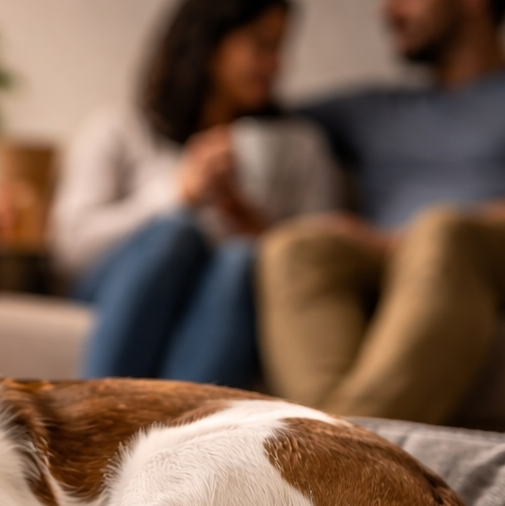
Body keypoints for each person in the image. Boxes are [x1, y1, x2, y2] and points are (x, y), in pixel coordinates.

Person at [258, 0, 505, 423]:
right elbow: (230, 107)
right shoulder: (370, 111)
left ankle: (334, 457)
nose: (387, 11)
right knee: (296, 247)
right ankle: (334, 459)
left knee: (443, 230)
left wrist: (408, 239)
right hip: (395, 260)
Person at [50, 0, 336, 389]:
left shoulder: (298, 147)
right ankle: (89, 419)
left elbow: (323, 261)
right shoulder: (121, 131)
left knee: (240, 258)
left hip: (228, 286)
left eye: (280, 48)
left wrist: (254, 226)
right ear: (209, 44)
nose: (276, 66)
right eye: (261, 46)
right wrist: (177, 193)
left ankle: (183, 446)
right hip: (113, 284)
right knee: (178, 233)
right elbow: (70, 248)